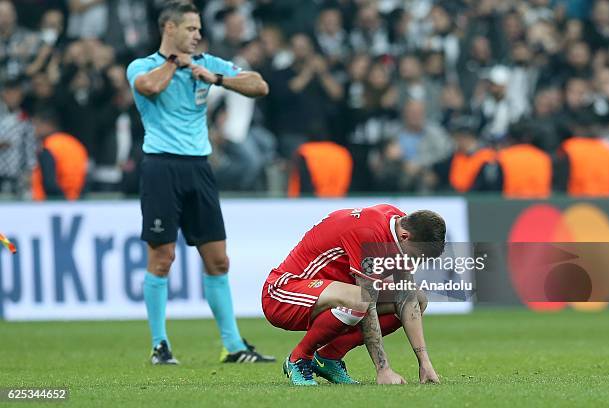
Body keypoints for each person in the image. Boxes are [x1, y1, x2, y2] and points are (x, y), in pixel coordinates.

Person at [126, 1, 273, 365]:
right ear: (169, 29)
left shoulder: (209, 64)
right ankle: (160, 345)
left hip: (199, 169)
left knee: (219, 260)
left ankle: (234, 346)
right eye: (190, 29)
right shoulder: (143, 66)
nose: (197, 35)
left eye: (198, 29)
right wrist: (176, 62)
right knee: (162, 258)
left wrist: (217, 79)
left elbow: (259, 85)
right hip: (161, 167)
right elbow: (148, 88)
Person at [262, 204, 444, 386]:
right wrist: (383, 370)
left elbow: (406, 296)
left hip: (329, 293)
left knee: (418, 299)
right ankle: (299, 358)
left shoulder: (399, 223)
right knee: (359, 299)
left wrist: (424, 363)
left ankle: (328, 358)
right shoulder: (370, 234)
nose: (416, 263)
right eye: (416, 257)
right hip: (282, 293)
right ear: (405, 237)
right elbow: (367, 302)